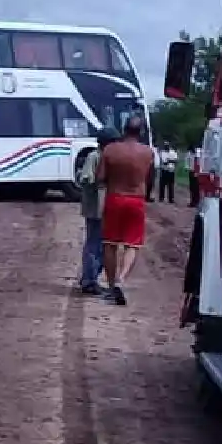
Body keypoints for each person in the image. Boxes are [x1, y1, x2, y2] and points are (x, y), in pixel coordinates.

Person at [96, 115, 154, 305]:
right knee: (133, 244)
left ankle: (112, 286)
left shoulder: (110, 150)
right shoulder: (148, 152)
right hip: (136, 199)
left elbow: (100, 177)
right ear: (141, 131)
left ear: (123, 129)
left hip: (115, 197)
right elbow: (151, 178)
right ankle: (122, 279)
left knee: (110, 244)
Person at [77, 127, 119, 294]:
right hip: (96, 209)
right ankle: (89, 280)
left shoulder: (105, 157)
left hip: (102, 208)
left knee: (101, 245)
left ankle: (90, 277)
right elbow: (86, 178)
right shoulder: (95, 156)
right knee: (95, 245)